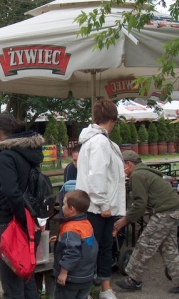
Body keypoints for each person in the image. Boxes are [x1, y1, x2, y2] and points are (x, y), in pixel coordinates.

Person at [113, 150, 179, 295]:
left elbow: (140, 203)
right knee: (168, 248)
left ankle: (134, 279)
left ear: (128, 164)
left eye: (122, 166)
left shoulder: (137, 175)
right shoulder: (145, 172)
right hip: (175, 208)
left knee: (145, 244)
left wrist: (125, 220)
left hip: (166, 211)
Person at [0, 112, 45, 299]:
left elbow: (11, 192)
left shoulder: (5, 156)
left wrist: (21, 219)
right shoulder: (29, 152)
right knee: (26, 275)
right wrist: (30, 220)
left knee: (13, 282)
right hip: (31, 219)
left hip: (13, 222)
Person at [76, 99, 125, 299]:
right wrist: (105, 204)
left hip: (98, 205)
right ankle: (85, 290)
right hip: (97, 207)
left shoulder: (97, 141)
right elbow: (97, 176)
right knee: (93, 250)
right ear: (112, 120)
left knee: (102, 248)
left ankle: (104, 289)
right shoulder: (99, 142)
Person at [52, 189, 98, 299]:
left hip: (70, 278)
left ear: (71, 209)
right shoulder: (86, 224)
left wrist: (63, 272)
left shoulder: (70, 228)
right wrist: (60, 239)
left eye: (63, 204)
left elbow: (72, 252)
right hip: (86, 276)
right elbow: (84, 245)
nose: (62, 207)